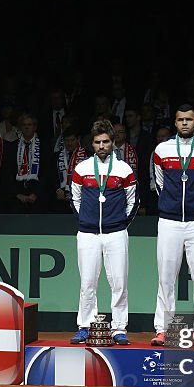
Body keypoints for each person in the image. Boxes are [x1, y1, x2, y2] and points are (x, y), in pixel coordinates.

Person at [150, 104, 194, 345]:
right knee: (166, 277)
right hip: (169, 220)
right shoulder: (162, 149)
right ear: (175, 122)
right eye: (180, 120)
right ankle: (163, 328)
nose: (185, 123)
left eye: (189, 119)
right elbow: (159, 182)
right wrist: (170, 203)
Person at [69, 120, 139, 346]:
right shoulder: (82, 169)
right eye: (98, 142)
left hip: (116, 233)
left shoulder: (123, 169)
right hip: (88, 233)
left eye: (106, 142)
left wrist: (118, 224)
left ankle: (119, 328)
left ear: (113, 142)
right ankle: (85, 325)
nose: (102, 146)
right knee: (87, 281)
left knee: (119, 282)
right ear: (92, 144)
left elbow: (133, 202)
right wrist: (86, 221)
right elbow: (75, 198)